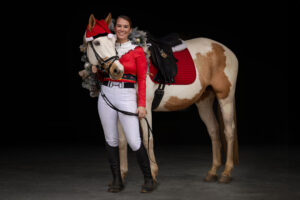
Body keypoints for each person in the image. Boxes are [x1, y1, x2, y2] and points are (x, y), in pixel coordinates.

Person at [88, 15, 157, 193]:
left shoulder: (136, 50)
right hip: (107, 94)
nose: (121, 29)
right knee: (111, 140)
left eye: (125, 26)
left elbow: (142, 79)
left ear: (130, 29)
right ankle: (117, 180)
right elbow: (104, 72)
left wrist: (141, 104)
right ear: (115, 27)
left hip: (127, 95)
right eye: (118, 26)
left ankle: (149, 179)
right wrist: (96, 71)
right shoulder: (106, 45)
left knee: (134, 141)